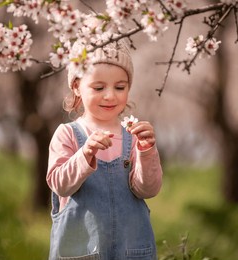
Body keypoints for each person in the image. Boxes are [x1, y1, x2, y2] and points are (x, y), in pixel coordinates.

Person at [46, 39, 163, 260]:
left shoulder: (132, 136)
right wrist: (84, 154)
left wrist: (146, 151)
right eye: (99, 87)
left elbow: (147, 190)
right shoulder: (68, 134)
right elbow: (60, 185)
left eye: (120, 87)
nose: (110, 95)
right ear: (76, 86)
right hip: (81, 252)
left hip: (131, 250)